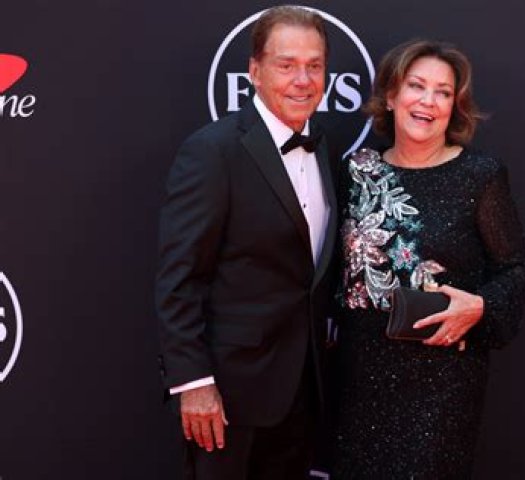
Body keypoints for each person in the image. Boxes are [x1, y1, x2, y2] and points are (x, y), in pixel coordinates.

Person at [330, 39, 525, 478]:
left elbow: (516, 268)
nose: (428, 101)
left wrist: (480, 306)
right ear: (391, 96)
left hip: (442, 383)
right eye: (416, 86)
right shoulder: (357, 172)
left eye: (443, 92)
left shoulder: (479, 175)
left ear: (454, 106)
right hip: (359, 378)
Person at [155, 6, 338, 479]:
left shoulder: (325, 147)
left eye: (314, 65)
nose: (303, 80)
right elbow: (179, 278)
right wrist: (193, 383)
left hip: (303, 392)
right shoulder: (213, 151)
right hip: (226, 398)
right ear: (255, 71)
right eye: (286, 64)